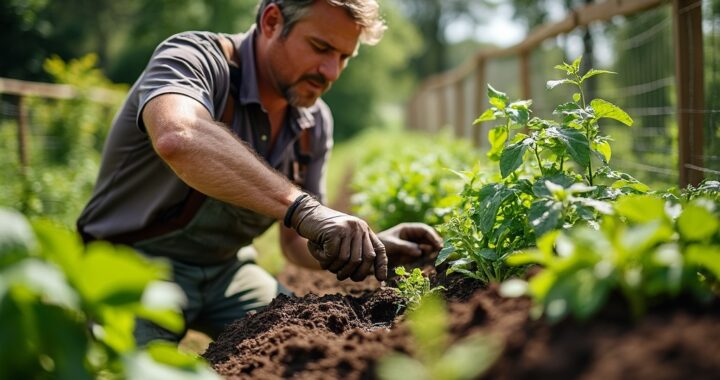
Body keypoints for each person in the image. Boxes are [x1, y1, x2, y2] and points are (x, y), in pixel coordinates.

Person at [77, 0, 443, 345]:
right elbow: (179, 136)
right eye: (320, 47)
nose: (330, 72)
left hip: (227, 271)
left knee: (311, 341)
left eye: (343, 57)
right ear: (271, 21)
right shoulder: (193, 59)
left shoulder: (313, 123)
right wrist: (305, 209)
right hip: (129, 262)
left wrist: (368, 246)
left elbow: (296, 244)